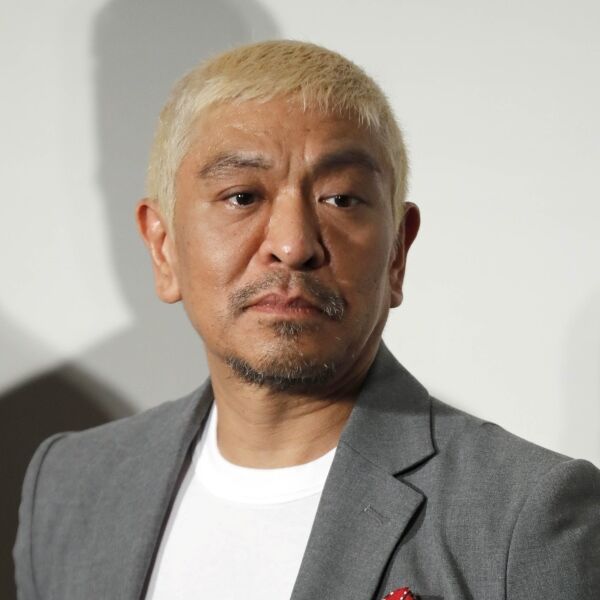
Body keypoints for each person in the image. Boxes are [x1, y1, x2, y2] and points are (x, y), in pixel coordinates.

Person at [14, 40, 600, 600]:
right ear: (163, 247)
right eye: (242, 197)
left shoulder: (526, 514)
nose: (293, 245)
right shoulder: (69, 485)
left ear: (397, 252)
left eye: (341, 199)